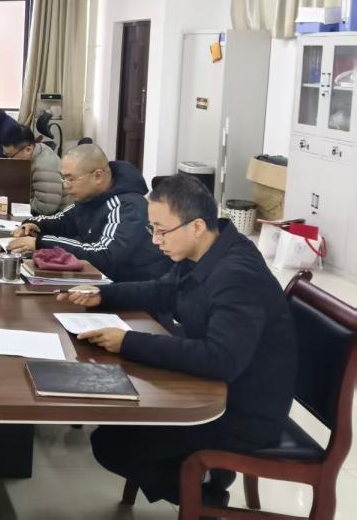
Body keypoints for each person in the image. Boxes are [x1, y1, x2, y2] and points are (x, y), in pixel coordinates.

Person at [59, 174, 297, 509]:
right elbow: (162, 290)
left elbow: (221, 359)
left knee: (114, 444)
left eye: (162, 230)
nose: (155, 240)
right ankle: (203, 482)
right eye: (152, 229)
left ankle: (207, 503)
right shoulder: (204, 251)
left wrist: (128, 342)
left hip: (243, 411)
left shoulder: (237, 275)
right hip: (216, 388)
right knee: (116, 430)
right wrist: (103, 295)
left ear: (197, 226)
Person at [5, 144, 166, 282]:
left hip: (132, 291)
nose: (66, 186)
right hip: (98, 282)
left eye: (71, 179)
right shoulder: (90, 196)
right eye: (64, 179)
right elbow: (62, 221)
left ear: (98, 176)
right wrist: (34, 225)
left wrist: (40, 243)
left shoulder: (129, 206)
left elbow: (105, 255)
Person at [0, 123, 68, 215]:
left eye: (10, 156)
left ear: (28, 150)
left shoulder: (44, 166)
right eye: (6, 155)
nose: (9, 160)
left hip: (58, 217)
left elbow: (46, 208)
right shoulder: (35, 152)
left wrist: (16, 203)